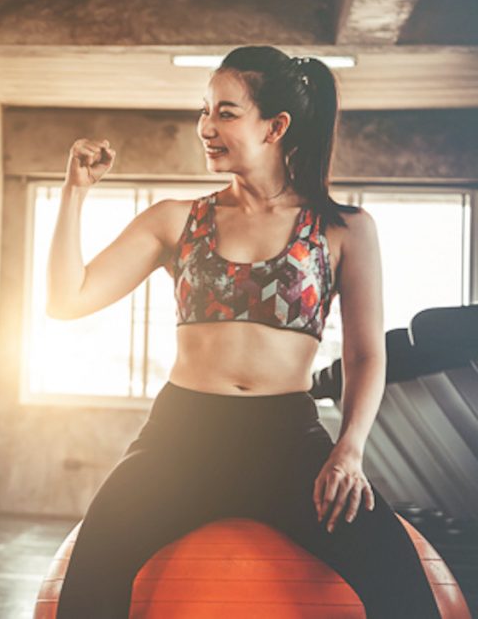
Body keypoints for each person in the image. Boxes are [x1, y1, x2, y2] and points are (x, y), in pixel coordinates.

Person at [46, 46, 440, 617]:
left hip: (287, 440)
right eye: (203, 110)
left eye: (225, 113)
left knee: (403, 582)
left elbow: (364, 354)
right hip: (181, 438)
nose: (206, 127)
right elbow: (66, 300)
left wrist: (350, 451)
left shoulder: (345, 228)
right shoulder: (175, 220)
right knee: (87, 585)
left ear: (275, 126)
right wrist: (74, 192)